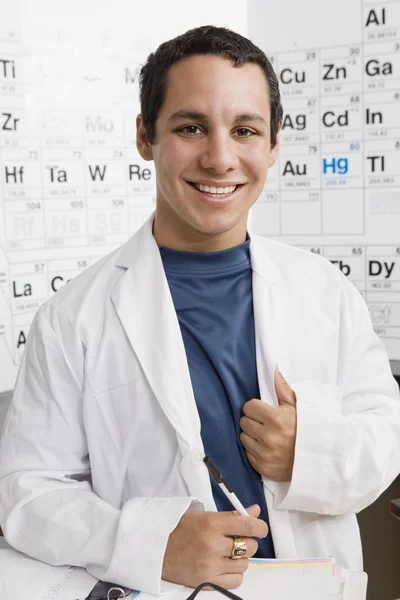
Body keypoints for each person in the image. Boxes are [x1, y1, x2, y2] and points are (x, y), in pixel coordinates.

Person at [0, 24, 400, 595]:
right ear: (146, 136)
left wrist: (308, 452)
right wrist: (146, 541)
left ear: (274, 143)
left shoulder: (327, 293)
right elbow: (28, 490)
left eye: (245, 130)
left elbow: (385, 433)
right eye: (190, 127)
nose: (220, 158)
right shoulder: (72, 318)